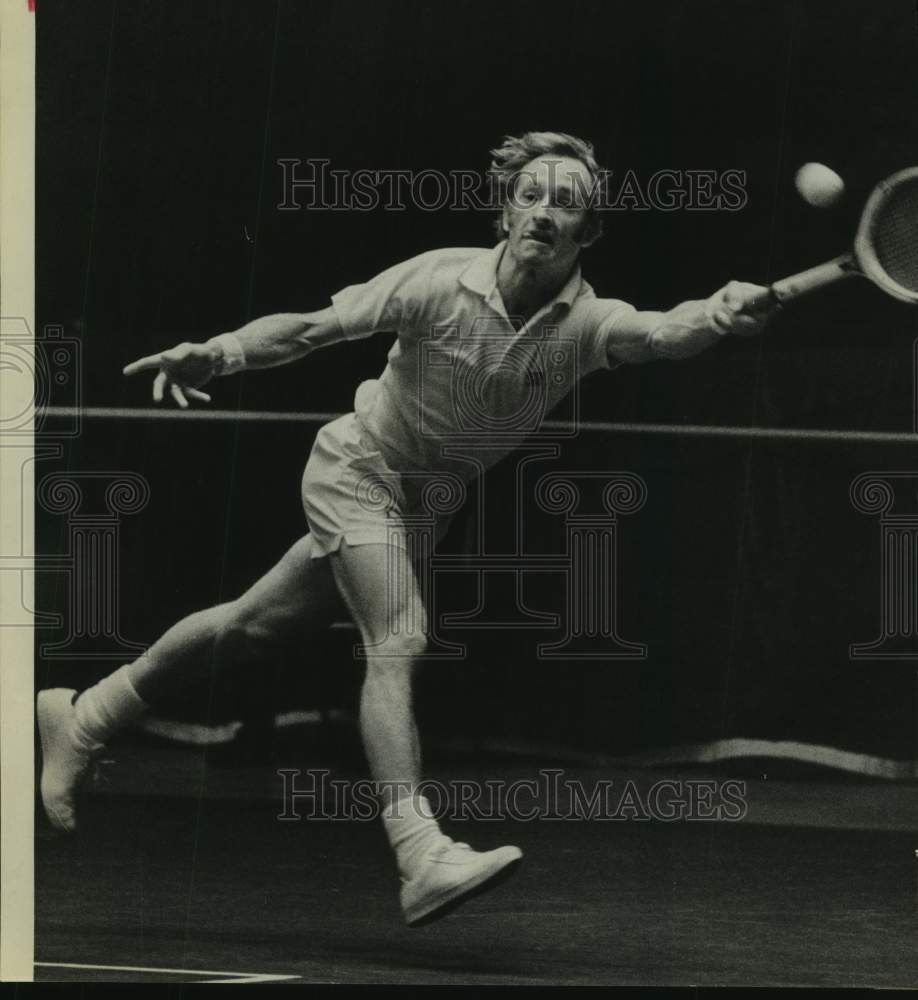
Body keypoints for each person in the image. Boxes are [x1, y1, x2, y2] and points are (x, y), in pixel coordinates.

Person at [37, 131, 776, 926]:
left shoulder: (589, 323)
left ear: (587, 231)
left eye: (566, 202)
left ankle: (84, 716)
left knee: (249, 627)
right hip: (356, 469)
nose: (543, 211)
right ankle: (419, 853)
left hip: (424, 510)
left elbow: (663, 332)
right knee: (399, 636)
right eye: (530, 194)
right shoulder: (435, 280)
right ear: (505, 212)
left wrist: (718, 313)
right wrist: (218, 354)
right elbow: (311, 328)